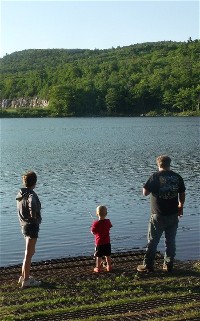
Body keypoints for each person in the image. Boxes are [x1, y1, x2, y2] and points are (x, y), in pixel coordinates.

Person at [137, 155, 186, 273]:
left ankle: (148, 265)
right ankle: (168, 265)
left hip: (158, 215)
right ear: (169, 164)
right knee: (170, 241)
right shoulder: (177, 177)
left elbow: (145, 193)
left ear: (158, 164)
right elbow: (182, 193)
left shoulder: (155, 176)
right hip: (173, 214)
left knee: (153, 241)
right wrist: (181, 205)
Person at [16, 171, 42, 288]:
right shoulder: (31, 195)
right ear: (34, 183)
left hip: (24, 225)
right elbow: (32, 204)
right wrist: (34, 216)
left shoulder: (21, 194)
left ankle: (23, 276)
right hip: (31, 226)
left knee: (28, 252)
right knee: (29, 253)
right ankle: (26, 280)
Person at [91, 205, 112, 272]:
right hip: (107, 242)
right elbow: (109, 227)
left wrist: (94, 226)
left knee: (99, 256)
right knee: (108, 255)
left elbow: (93, 232)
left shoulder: (95, 223)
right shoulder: (108, 221)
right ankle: (109, 266)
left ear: (97, 214)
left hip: (99, 243)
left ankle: (98, 268)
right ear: (106, 214)